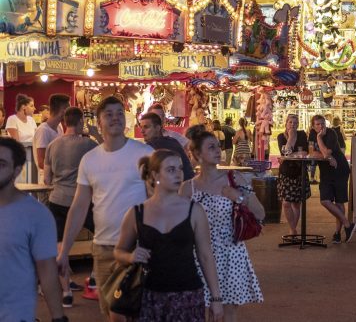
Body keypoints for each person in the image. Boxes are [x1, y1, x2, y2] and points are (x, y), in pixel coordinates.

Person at [57, 96, 154, 319]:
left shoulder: (144, 153)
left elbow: (158, 197)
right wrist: (64, 250)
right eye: (108, 114)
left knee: (136, 311)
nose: (115, 118)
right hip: (102, 248)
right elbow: (79, 206)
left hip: (137, 247)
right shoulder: (89, 160)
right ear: (98, 122)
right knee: (110, 312)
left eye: (119, 113)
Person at [115, 150, 224, 322]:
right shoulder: (137, 213)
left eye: (180, 169)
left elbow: (205, 256)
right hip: (149, 296)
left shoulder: (194, 210)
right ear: (155, 175)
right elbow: (118, 251)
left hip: (188, 295)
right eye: (171, 170)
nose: (178, 174)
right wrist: (130, 256)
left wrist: (216, 299)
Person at [180, 125, 263, 320]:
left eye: (218, 146)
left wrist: (240, 197)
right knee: (199, 309)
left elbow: (260, 213)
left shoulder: (234, 178)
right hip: (198, 256)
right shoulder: (187, 188)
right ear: (197, 154)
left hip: (230, 254)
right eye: (211, 147)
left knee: (228, 312)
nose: (218, 150)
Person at [0, 137, 67, 322]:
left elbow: (47, 271)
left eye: (1, 164)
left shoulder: (36, 215)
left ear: (17, 171)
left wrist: (58, 318)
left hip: (14, 315)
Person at [44, 106, 98, 307]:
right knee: (100, 235)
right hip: (81, 201)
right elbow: (109, 150)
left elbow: (47, 178)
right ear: (81, 122)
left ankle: (66, 292)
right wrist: (96, 134)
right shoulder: (88, 144)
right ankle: (93, 277)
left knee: (61, 247)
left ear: (64, 122)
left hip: (57, 200)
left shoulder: (52, 145)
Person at [310, 115, 356, 244]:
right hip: (326, 170)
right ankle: (347, 224)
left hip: (339, 169)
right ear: (313, 126)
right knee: (325, 200)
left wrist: (319, 139)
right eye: (318, 125)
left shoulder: (331, 133)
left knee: (339, 202)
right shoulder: (311, 135)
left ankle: (337, 233)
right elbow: (312, 153)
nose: (321, 127)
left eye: (322, 124)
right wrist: (328, 158)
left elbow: (325, 152)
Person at [277, 114, 310, 236]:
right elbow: (284, 152)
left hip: (299, 172)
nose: (293, 125)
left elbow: (305, 152)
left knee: (296, 203)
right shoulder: (281, 136)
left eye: (295, 123)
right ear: (286, 123)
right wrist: (290, 137)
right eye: (290, 122)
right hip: (286, 172)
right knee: (286, 203)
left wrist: (287, 156)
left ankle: (293, 229)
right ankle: (292, 228)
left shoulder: (302, 135)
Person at [140, 112, 194, 180]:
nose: (142, 131)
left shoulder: (151, 146)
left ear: (157, 128)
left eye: (146, 127)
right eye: (141, 127)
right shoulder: (173, 140)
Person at [34, 94, 70, 183]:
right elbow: (41, 162)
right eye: (68, 110)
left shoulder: (59, 127)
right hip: (46, 181)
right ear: (63, 110)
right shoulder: (43, 130)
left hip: (57, 178)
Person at [6, 94, 37, 181]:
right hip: (20, 156)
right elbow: (16, 142)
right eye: (31, 106)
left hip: (33, 154)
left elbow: (36, 138)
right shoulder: (12, 119)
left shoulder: (31, 120)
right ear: (23, 107)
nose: (34, 108)